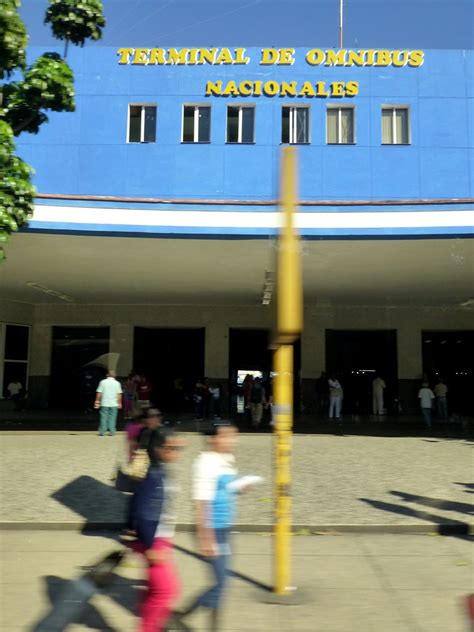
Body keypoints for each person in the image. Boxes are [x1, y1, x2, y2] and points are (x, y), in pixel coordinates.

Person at [173, 423, 260, 632]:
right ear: (213, 439)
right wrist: (205, 537)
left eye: (234, 437)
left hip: (224, 527)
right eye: (227, 436)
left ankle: (210, 625)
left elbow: (226, 488)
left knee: (222, 582)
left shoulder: (226, 459)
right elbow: (201, 501)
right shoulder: (205, 462)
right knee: (221, 583)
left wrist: (241, 487)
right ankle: (180, 616)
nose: (233, 441)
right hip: (212, 529)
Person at [128, 428, 184, 632]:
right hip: (153, 541)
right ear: (159, 449)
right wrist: (150, 546)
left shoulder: (160, 470)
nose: (177, 452)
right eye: (173, 448)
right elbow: (142, 511)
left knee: (154, 590)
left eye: (180, 448)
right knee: (166, 590)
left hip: (160, 538)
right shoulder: (153, 475)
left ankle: (151, 623)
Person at [94, 370, 122, 436]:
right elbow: (119, 394)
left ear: (107, 375)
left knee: (103, 418)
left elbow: (99, 392)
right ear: (115, 376)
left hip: (104, 403)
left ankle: (102, 432)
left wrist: (97, 401)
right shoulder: (117, 383)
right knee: (112, 418)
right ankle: (112, 432)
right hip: (114, 404)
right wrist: (119, 403)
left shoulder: (102, 382)